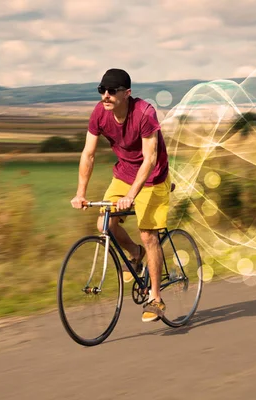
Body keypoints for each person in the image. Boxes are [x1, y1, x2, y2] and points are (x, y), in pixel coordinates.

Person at [70, 68, 171, 322]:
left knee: (148, 234)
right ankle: (135, 255)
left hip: (153, 177)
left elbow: (149, 159)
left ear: (127, 93)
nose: (105, 95)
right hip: (124, 174)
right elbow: (88, 154)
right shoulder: (99, 114)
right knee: (104, 222)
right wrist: (80, 193)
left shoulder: (144, 114)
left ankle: (156, 299)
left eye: (112, 91)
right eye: (102, 90)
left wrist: (132, 196)